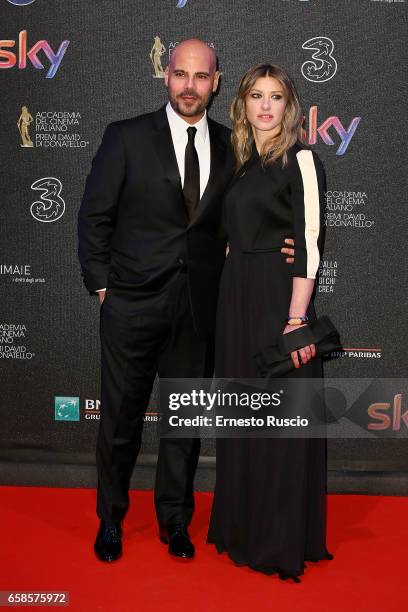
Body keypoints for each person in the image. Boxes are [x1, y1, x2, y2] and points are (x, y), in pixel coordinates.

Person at [78, 39, 297, 563]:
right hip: (131, 305)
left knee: (184, 423)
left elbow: (251, 214)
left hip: (199, 310)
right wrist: (103, 286)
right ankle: (110, 518)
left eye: (201, 77)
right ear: (166, 77)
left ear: (216, 82)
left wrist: (282, 242)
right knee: (121, 420)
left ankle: (174, 521)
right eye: (180, 74)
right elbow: (93, 218)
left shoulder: (232, 148)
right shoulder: (126, 137)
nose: (189, 86)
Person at [207, 63, 333, 582]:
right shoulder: (237, 163)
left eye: (275, 96)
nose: (265, 106)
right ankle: (242, 526)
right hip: (235, 296)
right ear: (242, 104)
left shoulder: (301, 159)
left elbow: (309, 244)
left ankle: (278, 539)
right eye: (256, 95)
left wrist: (296, 320)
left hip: (278, 301)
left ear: (289, 106)